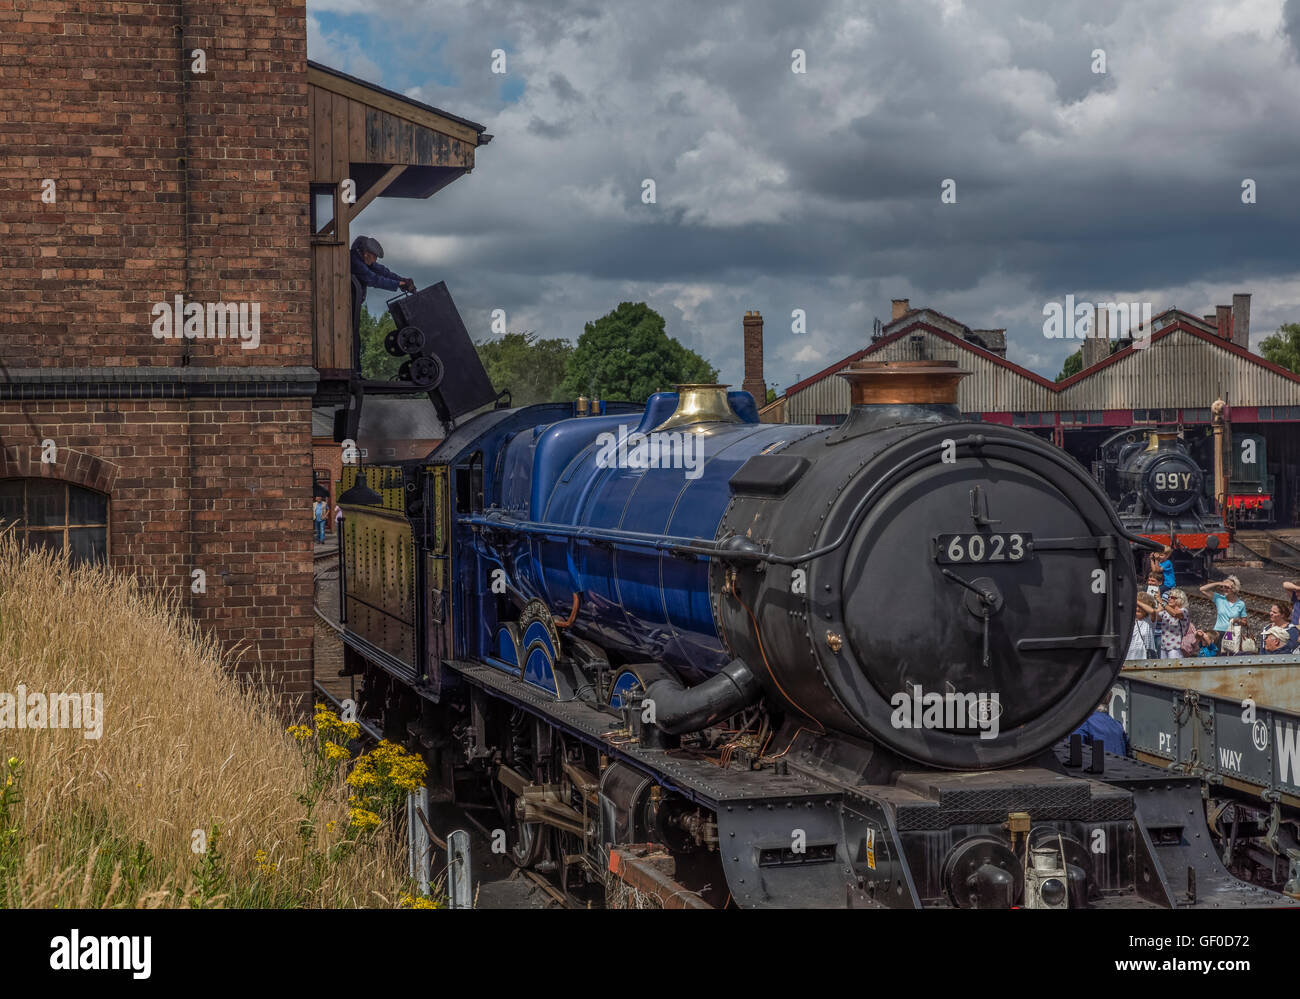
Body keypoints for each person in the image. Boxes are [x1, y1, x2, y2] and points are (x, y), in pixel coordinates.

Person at [350, 235, 416, 296]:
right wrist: (398, 284)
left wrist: (402, 280)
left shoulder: (363, 256)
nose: (375, 260)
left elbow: (383, 271)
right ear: (366, 254)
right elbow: (375, 280)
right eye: (374, 257)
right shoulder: (356, 264)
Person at [1157, 588, 1191, 658]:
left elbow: (1175, 614)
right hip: (1163, 647)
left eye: (1172, 597)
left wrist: (1161, 602)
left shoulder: (1184, 611)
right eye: (1169, 597)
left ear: (1180, 599)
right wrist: (1158, 607)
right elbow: (1154, 617)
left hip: (1176, 647)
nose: (1169, 599)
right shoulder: (1166, 612)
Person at [1127, 592, 1158, 660]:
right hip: (1129, 657)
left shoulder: (1149, 620)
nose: (1137, 608)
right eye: (1136, 606)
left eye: (1140, 606)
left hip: (1146, 658)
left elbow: (1152, 611)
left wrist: (1136, 601)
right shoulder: (1128, 620)